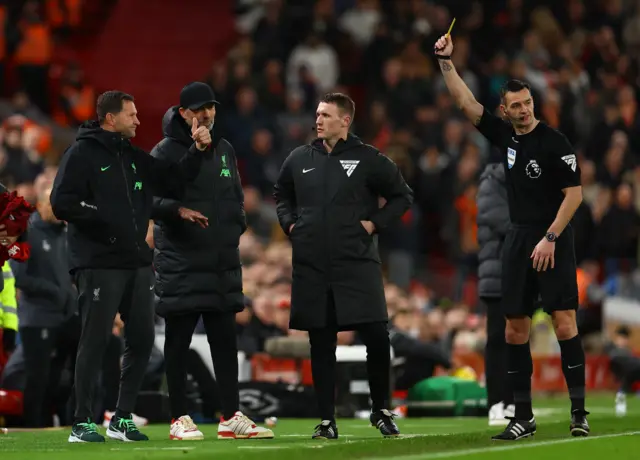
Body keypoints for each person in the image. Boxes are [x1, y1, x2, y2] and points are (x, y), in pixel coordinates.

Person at [434, 34, 589, 440]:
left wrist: (551, 237)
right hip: (518, 241)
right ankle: (523, 416)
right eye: (515, 106)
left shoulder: (555, 143)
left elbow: (575, 195)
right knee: (512, 330)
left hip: (553, 238)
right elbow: (467, 106)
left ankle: (578, 413)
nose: (522, 111)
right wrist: (446, 63)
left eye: (527, 104)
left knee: (564, 322)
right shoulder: (506, 138)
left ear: (533, 105)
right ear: (506, 109)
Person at [50, 90, 211, 443]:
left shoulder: (134, 158)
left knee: (142, 338)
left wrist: (197, 150)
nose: (138, 120)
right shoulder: (80, 153)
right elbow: (61, 202)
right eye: (131, 115)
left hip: (136, 261)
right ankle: (81, 421)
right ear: (111, 118)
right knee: (94, 339)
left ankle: (121, 417)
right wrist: (104, 217)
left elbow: (173, 180)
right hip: (97, 262)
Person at [273, 92, 413, 439]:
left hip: (357, 262)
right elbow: (281, 194)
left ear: (345, 120)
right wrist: (290, 225)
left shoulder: (368, 158)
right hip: (312, 264)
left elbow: (402, 196)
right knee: (321, 343)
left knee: (378, 336)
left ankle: (380, 409)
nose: (318, 120)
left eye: (325, 115)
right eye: (317, 114)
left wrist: (373, 223)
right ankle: (326, 419)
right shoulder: (298, 158)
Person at [150, 81, 273, 440]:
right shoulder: (165, 151)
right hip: (182, 261)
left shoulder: (225, 149)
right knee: (178, 342)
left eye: (212, 108)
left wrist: (235, 227)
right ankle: (178, 417)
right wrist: (180, 210)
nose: (208, 115)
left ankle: (231, 415)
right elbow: (154, 202)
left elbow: (235, 196)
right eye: (201, 109)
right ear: (184, 113)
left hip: (221, 261)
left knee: (224, 343)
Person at [9, 186, 79, 427]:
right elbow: (19, 276)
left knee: (67, 370)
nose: (55, 207)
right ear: (38, 205)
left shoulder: (64, 235)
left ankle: (64, 418)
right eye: (50, 202)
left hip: (62, 317)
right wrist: (55, 290)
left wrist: (70, 294)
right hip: (37, 318)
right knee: (36, 378)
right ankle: (32, 426)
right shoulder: (27, 233)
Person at [476, 158, 514, 426]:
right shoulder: (491, 182)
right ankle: (496, 402)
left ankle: (514, 400)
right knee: (498, 339)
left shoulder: (524, 181)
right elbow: (502, 222)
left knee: (518, 338)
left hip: (521, 271)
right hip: (497, 272)